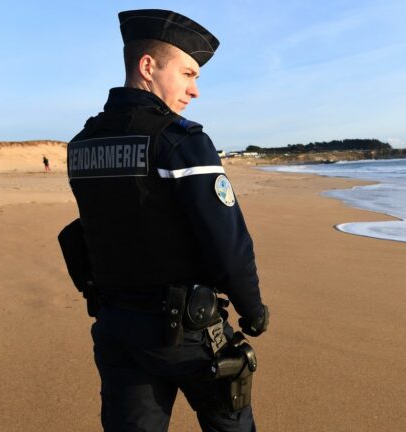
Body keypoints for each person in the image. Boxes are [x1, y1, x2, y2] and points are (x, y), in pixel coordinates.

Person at [64, 9, 268, 432]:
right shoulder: (181, 142)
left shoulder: (83, 145)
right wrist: (253, 311)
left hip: (117, 328)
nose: (194, 90)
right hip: (186, 334)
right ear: (147, 67)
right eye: (188, 73)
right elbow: (228, 243)